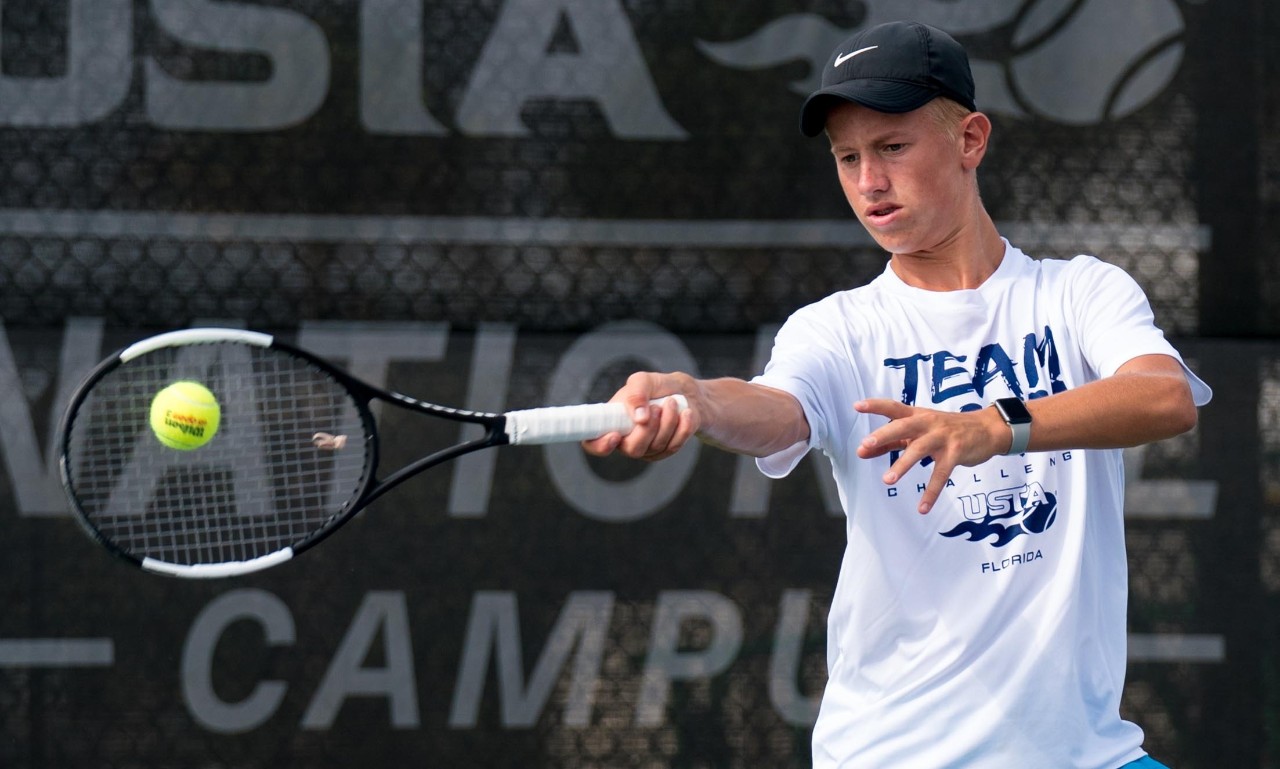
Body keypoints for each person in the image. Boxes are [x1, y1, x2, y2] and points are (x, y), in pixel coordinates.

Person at [582, 20, 1212, 769]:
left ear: (970, 140)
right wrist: (698, 400)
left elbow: (1162, 396)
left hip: (1087, 755)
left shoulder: (1081, 293)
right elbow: (777, 409)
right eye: (847, 157)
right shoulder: (836, 330)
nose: (867, 182)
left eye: (891, 147)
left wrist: (994, 426)